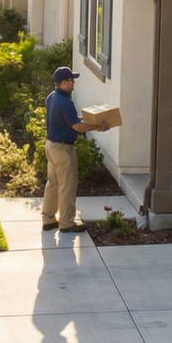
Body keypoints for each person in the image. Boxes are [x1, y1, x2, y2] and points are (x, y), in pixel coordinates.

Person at [43, 67, 110, 232]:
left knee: (53, 184)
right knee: (67, 186)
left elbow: (69, 120)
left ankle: (48, 219)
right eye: (72, 80)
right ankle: (66, 223)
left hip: (51, 146)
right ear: (64, 82)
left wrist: (89, 119)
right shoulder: (66, 101)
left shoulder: (52, 97)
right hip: (63, 149)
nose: (74, 83)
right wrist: (98, 126)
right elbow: (77, 126)